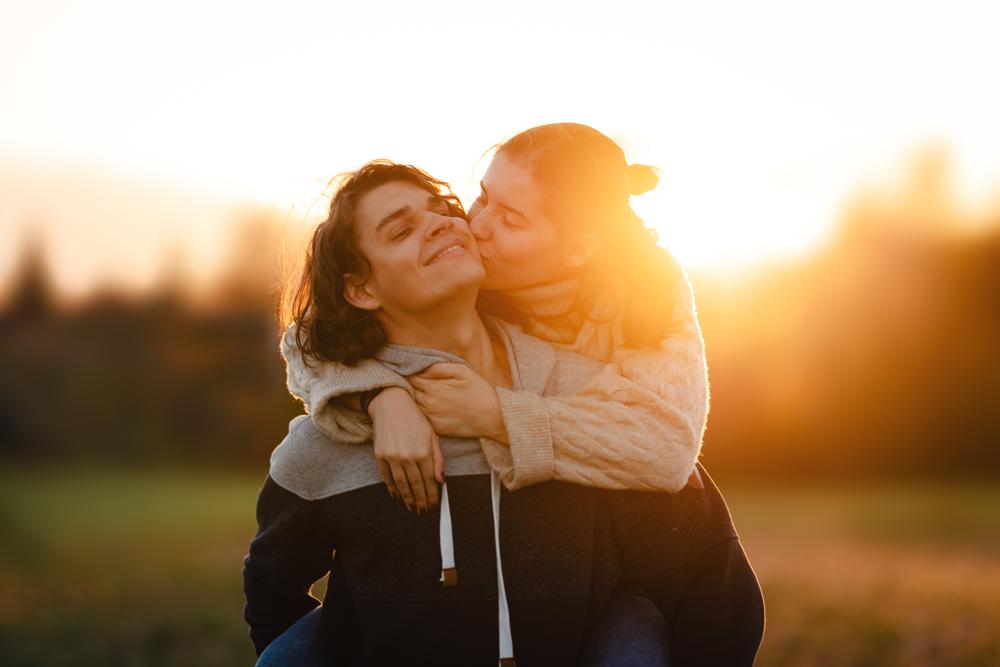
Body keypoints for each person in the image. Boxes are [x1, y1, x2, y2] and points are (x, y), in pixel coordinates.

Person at [245, 161, 764, 666]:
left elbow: (703, 568)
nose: (442, 223)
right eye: (402, 230)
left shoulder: (587, 393)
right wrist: (380, 394)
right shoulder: (326, 443)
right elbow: (274, 596)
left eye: (441, 208)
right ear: (361, 289)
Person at [283, 122, 709, 514]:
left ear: (577, 249)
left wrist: (497, 415)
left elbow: (666, 448)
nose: (477, 224)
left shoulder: (650, 294)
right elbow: (312, 335)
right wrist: (380, 398)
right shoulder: (464, 270)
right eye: (484, 197)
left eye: (511, 219)